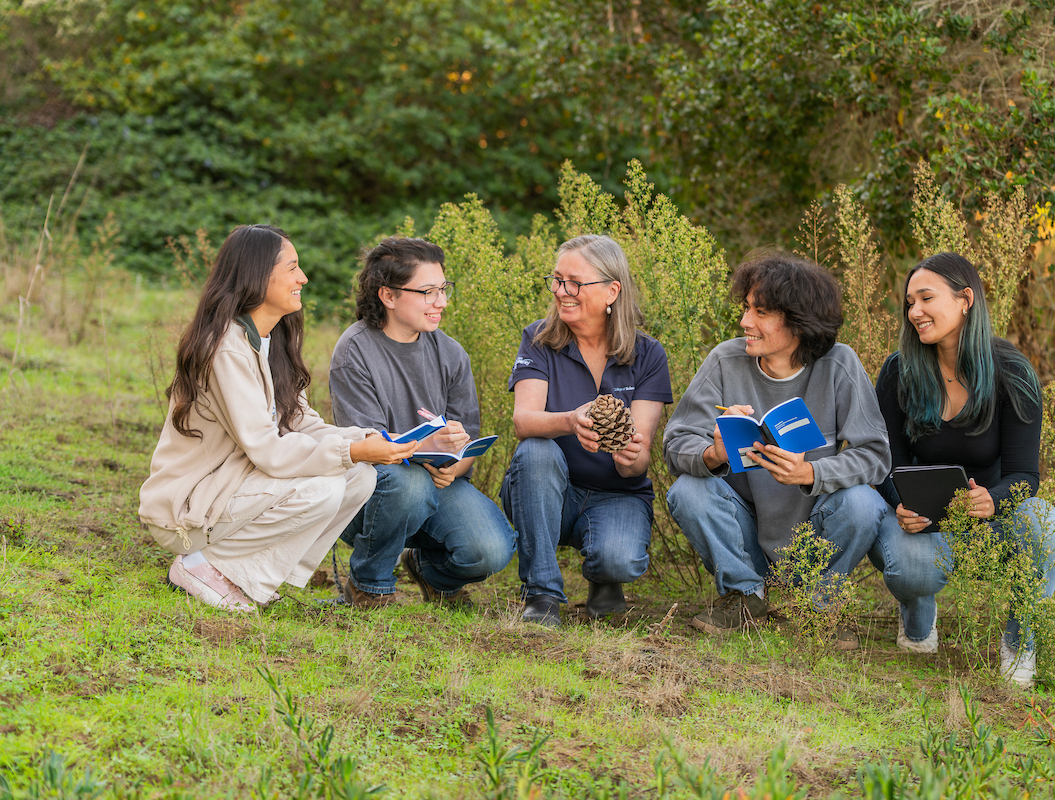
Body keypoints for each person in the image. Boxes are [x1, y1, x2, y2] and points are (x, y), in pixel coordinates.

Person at [139, 224, 416, 611]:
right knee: (325, 488)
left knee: (360, 476)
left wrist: (369, 439)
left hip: (233, 490)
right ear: (257, 274)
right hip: (189, 511)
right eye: (292, 268)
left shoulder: (272, 340)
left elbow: (301, 422)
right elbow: (268, 450)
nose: (303, 277)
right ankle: (202, 566)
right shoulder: (226, 349)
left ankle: (246, 574)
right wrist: (350, 450)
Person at [663, 250, 890, 635]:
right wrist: (714, 452)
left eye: (761, 312)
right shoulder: (725, 360)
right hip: (745, 534)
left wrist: (811, 472)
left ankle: (821, 609)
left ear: (799, 322)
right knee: (689, 491)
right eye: (746, 308)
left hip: (815, 533)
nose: (744, 321)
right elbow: (676, 442)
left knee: (864, 502)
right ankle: (744, 597)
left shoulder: (840, 364)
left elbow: (875, 456)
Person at [870, 251, 1055, 688]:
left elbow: (1025, 476)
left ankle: (1021, 645)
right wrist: (899, 503)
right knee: (910, 567)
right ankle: (918, 620)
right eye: (909, 303)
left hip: (990, 520)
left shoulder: (1011, 371)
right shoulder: (898, 371)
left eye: (926, 298)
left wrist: (992, 500)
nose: (915, 312)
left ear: (965, 300)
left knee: (1048, 528)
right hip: (922, 524)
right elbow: (885, 463)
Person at [328, 237, 516, 609]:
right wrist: (429, 452)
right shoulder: (354, 352)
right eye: (428, 292)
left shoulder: (451, 353)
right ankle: (369, 585)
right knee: (408, 484)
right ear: (389, 295)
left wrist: (456, 466)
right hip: (371, 493)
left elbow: (468, 440)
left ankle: (428, 569)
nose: (442, 302)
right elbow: (370, 449)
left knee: (491, 550)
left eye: (444, 289)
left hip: (437, 483)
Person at [501, 234, 673, 628]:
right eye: (557, 280)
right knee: (535, 451)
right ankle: (542, 593)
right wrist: (568, 421)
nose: (562, 292)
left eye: (575, 283)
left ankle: (604, 576)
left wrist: (631, 456)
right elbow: (523, 421)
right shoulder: (540, 338)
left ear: (612, 290)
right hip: (548, 489)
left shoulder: (648, 355)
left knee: (620, 559)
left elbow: (639, 461)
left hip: (617, 493)